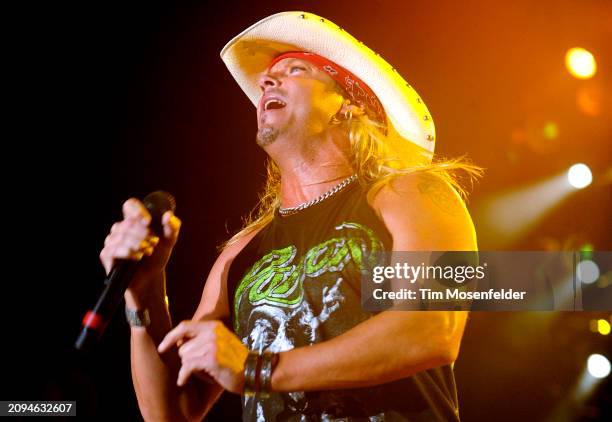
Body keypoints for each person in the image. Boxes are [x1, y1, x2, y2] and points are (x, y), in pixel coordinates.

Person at [100, 11, 481, 421]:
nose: (266, 81)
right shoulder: (240, 252)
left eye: (295, 69)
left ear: (347, 105)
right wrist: (144, 294)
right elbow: (172, 412)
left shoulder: (412, 193)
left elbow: (431, 329)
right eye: (267, 78)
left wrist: (256, 369)